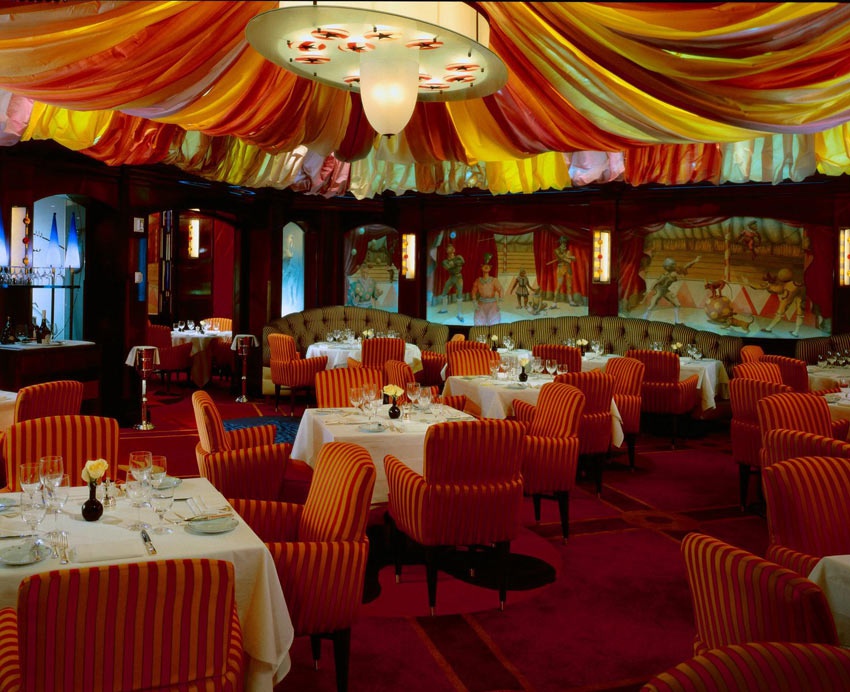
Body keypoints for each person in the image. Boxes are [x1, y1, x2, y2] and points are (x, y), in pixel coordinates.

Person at [742, 268, 806, 337]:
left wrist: (748, 283)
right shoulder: (791, 283)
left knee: (780, 313)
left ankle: (769, 328)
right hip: (801, 290)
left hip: (788, 293)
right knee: (800, 312)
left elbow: (758, 287)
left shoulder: (774, 285)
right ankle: (796, 332)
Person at [642, 255, 701, 323]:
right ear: (670, 267)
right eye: (674, 265)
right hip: (660, 290)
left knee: (677, 304)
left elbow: (685, 266)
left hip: (665, 290)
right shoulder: (670, 274)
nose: (676, 266)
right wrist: (650, 290)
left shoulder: (672, 273)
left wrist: (695, 261)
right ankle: (644, 319)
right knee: (652, 306)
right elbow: (657, 282)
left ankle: (677, 321)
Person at [471, 253, 503, 326]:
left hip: (492, 305)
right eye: (484, 265)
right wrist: (474, 302)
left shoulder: (494, 280)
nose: (486, 266)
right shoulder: (478, 280)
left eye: (488, 265)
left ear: (490, 268)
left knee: (494, 325)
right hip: (481, 304)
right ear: (481, 267)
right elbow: (473, 292)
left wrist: (500, 302)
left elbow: (501, 290)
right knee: (479, 325)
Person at [437, 244, 465, 322]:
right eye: (448, 249)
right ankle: (444, 309)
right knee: (444, 293)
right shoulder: (445, 261)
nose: (450, 250)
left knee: (459, 295)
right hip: (451, 277)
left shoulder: (458, 257)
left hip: (458, 277)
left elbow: (462, 262)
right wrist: (455, 264)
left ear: (454, 250)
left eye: (451, 248)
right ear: (446, 251)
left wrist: (453, 263)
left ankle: (459, 314)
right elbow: (448, 267)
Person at [551, 236, 578, 307]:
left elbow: (574, 259)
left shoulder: (568, 251)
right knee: (559, 285)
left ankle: (571, 301)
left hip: (568, 269)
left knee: (569, 286)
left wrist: (567, 257)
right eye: (563, 242)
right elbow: (567, 260)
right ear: (560, 242)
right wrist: (569, 257)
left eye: (565, 242)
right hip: (561, 269)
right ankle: (554, 303)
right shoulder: (556, 250)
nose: (564, 244)